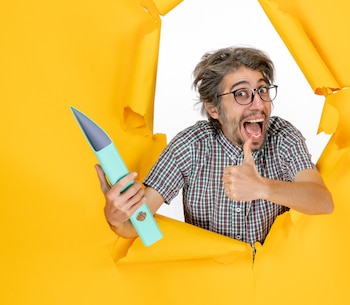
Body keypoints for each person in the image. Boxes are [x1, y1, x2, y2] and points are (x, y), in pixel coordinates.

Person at [95, 46, 334, 248]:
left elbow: (322, 200)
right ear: (213, 109)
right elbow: (135, 225)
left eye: (262, 90)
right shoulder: (190, 147)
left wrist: (263, 187)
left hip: (272, 283)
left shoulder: (283, 136)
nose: (259, 104)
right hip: (211, 286)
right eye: (241, 94)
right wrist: (115, 217)